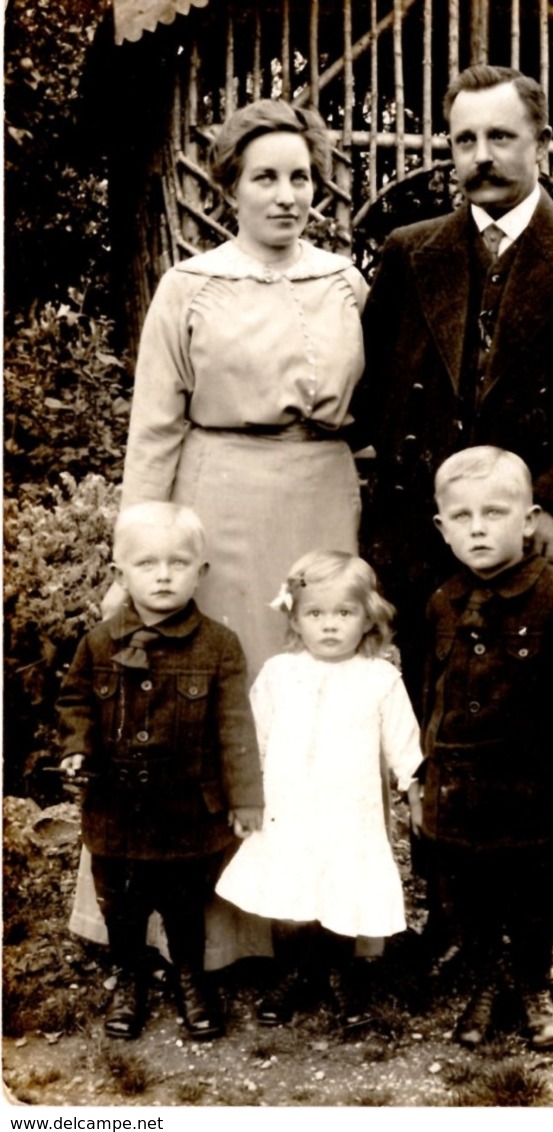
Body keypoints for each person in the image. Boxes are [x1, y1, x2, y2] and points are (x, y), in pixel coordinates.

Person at [71, 98, 369, 967]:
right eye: (265, 178)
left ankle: (312, 924)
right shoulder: (190, 286)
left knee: (316, 695)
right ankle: (192, 927)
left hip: (323, 497)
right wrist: (137, 549)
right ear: (230, 187)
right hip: (220, 497)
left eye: (301, 178)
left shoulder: (346, 282)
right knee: (214, 703)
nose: (286, 196)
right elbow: (154, 428)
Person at [357, 63, 553, 698]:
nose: (481, 156)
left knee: (547, 731)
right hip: (430, 545)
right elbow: (376, 393)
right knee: (432, 726)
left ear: (541, 144)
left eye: (501, 137)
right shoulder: (408, 254)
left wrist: (549, 506)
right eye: (465, 140)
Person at [417, 447, 553, 1049]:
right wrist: (427, 774)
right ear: (442, 529)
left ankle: (530, 985)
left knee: (538, 891)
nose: (478, 528)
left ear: (528, 520)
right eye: (463, 516)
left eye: (495, 513)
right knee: (463, 892)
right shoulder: (441, 601)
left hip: (535, 789)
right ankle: (485, 982)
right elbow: (432, 696)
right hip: (461, 786)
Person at [56, 503, 263, 1041]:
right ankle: (129, 976)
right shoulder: (99, 642)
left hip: (187, 810)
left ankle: (190, 975)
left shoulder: (219, 645)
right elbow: (75, 701)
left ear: (202, 573)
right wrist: (76, 749)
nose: (165, 575)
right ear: (121, 575)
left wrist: (245, 800)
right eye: (148, 564)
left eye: (179, 563)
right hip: (116, 809)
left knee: (185, 902)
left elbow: (235, 727)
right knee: (121, 903)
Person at [215, 550, 424, 1024]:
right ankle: (293, 975)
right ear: (296, 618)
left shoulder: (380, 679)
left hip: (349, 813)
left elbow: (404, 744)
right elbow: (255, 739)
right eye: (315, 614)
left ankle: (340, 975)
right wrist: (246, 797)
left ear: (367, 619)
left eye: (344, 614)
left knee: (342, 890)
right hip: (288, 808)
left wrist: (415, 789)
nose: (329, 626)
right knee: (289, 893)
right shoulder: (279, 674)